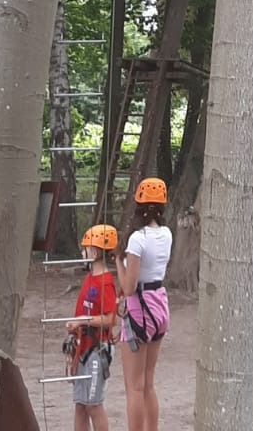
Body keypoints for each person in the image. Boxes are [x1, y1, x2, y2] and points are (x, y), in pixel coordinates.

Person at [115, 177, 173, 431]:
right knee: (148, 383)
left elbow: (128, 287)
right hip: (159, 305)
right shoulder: (167, 234)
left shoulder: (137, 240)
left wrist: (118, 260)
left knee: (134, 386)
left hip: (139, 311)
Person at [65, 225, 118, 431]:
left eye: (85, 248)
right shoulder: (89, 278)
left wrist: (82, 322)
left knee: (93, 406)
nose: (82, 252)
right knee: (80, 405)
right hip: (83, 346)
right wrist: (75, 324)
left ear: (95, 252)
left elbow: (109, 319)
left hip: (96, 350)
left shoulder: (105, 282)